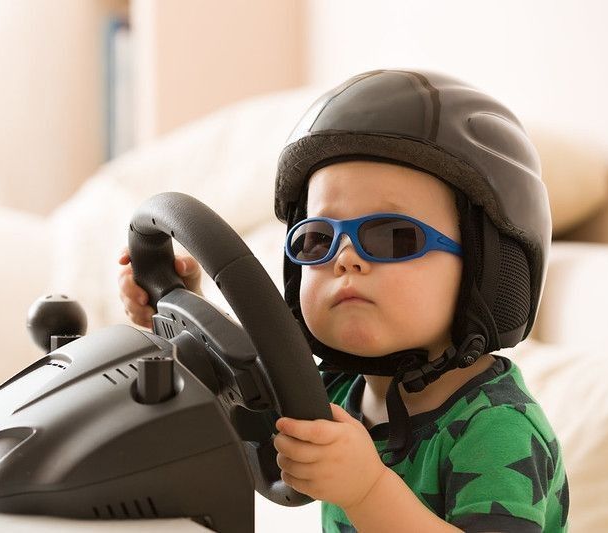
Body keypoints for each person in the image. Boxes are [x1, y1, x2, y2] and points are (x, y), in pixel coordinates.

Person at [118, 69, 569, 532]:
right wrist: (178, 309)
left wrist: (368, 490)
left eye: (395, 237)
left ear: (486, 270)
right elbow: (242, 397)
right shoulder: (331, 387)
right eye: (317, 239)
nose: (345, 259)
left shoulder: (497, 429)